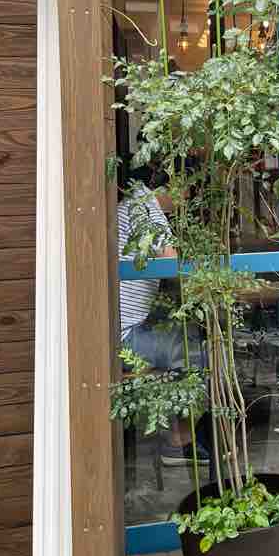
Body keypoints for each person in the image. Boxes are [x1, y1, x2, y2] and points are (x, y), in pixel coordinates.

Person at [118, 167, 208, 467]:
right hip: (124, 339)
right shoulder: (146, 207)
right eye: (187, 190)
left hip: (117, 329)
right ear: (173, 185)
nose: (187, 199)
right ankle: (178, 443)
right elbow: (172, 265)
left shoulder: (133, 202)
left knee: (186, 335)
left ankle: (183, 431)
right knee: (196, 350)